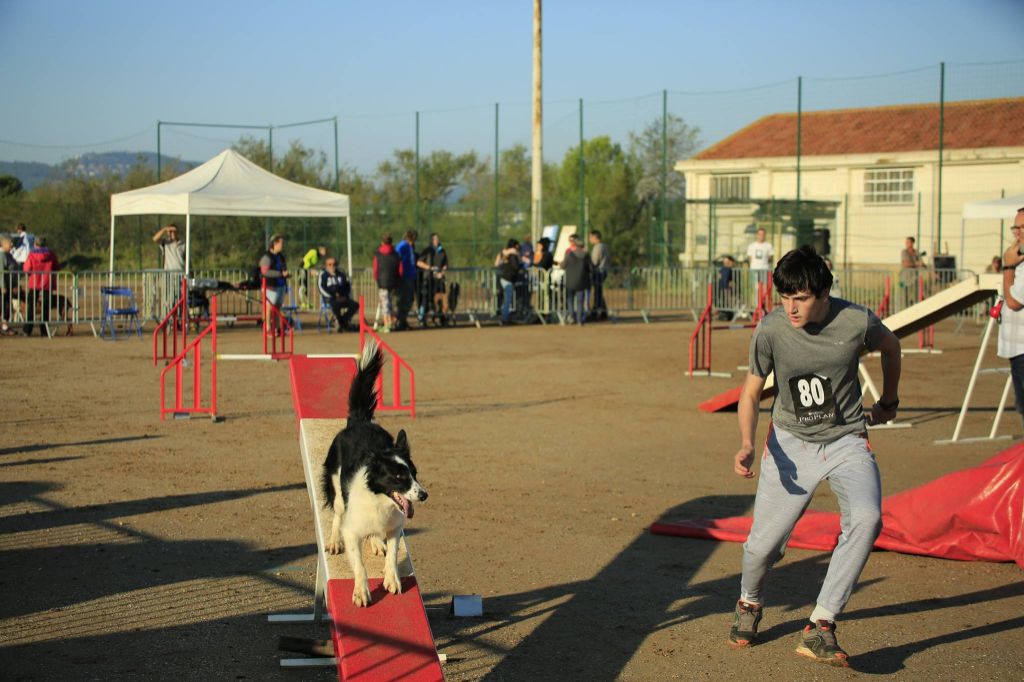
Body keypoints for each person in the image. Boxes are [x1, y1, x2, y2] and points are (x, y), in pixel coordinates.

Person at [730, 245, 901, 666]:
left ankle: (821, 625)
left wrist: (888, 401)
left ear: (824, 293)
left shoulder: (855, 320)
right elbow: (751, 391)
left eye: (801, 298)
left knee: (867, 518)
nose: (790, 307)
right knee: (760, 549)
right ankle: (750, 602)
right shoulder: (771, 329)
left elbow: (892, 345)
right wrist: (748, 443)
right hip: (789, 444)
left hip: (846, 440)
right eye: (784, 296)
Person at [996, 209, 1024, 435]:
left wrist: (1008, 267)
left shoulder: (1016, 262)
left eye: (1023, 228)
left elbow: (1014, 301)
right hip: (1017, 346)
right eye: (1016, 228)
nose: (1018, 233)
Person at [23, 237, 61, 336]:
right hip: (47, 283)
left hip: (33, 282)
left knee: (31, 307)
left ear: (35, 244)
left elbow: (27, 269)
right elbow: (57, 267)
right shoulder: (51, 254)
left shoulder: (31, 254)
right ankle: (44, 331)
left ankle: (28, 330)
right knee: (45, 308)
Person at [258, 234, 290, 334]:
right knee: (269, 308)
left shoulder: (281, 256)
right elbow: (264, 271)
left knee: (277, 308)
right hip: (270, 286)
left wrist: (286, 274)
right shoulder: (267, 257)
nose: (282, 245)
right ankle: (267, 328)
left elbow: (284, 268)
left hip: (280, 285)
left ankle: (276, 328)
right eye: (281, 243)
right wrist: (280, 274)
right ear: (274, 244)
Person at [417, 233, 450, 326]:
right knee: (426, 299)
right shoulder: (427, 250)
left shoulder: (442, 251)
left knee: (442, 299)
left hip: (440, 279)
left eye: (437, 239)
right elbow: (419, 263)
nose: (437, 241)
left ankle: (442, 317)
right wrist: (430, 268)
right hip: (428, 279)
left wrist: (442, 272)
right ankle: (422, 317)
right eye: (434, 239)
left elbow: (446, 264)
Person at [152, 223, 187, 312]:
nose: (172, 233)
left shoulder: (183, 244)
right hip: (169, 275)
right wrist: (164, 229)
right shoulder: (165, 243)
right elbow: (155, 239)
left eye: (174, 231)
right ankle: (169, 317)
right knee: (169, 298)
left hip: (180, 274)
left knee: (181, 297)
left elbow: (186, 259)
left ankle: (179, 317)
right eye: (170, 232)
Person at [318, 257, 358, 332]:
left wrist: (345, 295)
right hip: (330, 298)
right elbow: (321, 288)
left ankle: (342, 322)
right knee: (336, 305)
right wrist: (333, 295)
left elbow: (347, 286)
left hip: (342, 297)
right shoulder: (323, 275)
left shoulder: (341, 274)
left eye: (334, 264)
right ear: (326, 265)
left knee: (355, 305)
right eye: (329, 264)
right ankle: (343, 324)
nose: (332, 266)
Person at [561, 234, 593, 326]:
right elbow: (590, 268)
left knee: (570, 300)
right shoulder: (586, 256)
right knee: (580, 301)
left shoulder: (569, 254)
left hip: (570, 281)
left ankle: (571, 317)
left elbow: (563, 265)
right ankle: (579, 320)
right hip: (581, 282)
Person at [373, 233, 401, 333]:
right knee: (390, 303)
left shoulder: (378, 254)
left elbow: (375, 270)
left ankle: (387, 324)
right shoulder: (396, 254)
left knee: (385, 304)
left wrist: (377, 279)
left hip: (382, 283)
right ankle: (390, 322)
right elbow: (400, 270)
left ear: (382, 242)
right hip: (394, 282)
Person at [395, 230, 418, 330]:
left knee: (409, 299)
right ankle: (400, 321)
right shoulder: (403, 245)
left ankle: (403, 320)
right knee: (403, 299)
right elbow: (397, 256)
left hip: (409, 276)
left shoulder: (409, 247)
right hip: (404, 277)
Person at [494, 239, 521, 326]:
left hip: (500, 277)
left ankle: (500, 315)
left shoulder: (502, 252)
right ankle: (504, 318)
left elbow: (496, 264)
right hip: (508, 278)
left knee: (501, 298)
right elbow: (516, 266)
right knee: (507, 300)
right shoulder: (513, 254)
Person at [745, 227, 774, 305]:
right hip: (754, 270)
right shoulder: (751, 246)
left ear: (765, 235)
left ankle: (764, 304)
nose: (761, 236)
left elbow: (770, 257)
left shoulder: (768, 245)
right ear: (757, 235)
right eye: (759, 234)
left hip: (764, 269)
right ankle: (756, 305)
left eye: (763, 234)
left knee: (765, 288)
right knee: (755, 288)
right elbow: (750, 258)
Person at [589, 230, 610, 320]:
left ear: (595, 237)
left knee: (597, 293)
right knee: (599, 292)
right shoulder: (605, 246)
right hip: (604, 271)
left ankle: (596, 312)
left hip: (598, 272)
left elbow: (594, 261)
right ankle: (603, 312)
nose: (589, 239)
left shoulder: (597, 247)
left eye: (590, 237)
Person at [899, 236, 925, 310]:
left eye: (908, 242)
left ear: (912, 243)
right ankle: (904, 311)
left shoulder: (916, 252)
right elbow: (905, 264)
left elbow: (922, 263)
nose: (906, 244)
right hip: (905, 278)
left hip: (914, 278)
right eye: (906, 242)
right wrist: (916, 263)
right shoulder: (904, 252)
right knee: (904, 297)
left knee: (916, 296)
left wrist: (921, 264)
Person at [300, 245, 328, 310]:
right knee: (302, 286)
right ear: (320, 249)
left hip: (307, 271)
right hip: (303, 269)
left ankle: (306, 302)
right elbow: (305, 259)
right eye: (324, 250)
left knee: (306, 286)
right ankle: (303, 303)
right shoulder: (313, 251)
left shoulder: (318, 257)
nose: (325, 252)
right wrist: (309, 269)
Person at [1, 236, 18, 335]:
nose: (11, 245)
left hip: (9, 285)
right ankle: (4, 326)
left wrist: (15, 285)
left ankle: (5, 325)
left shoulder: (9, 255)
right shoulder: (2, 255)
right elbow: (1, 272)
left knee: (7, 306)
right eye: (9, 243)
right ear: (3, 244)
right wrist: (3, 286)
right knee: (4, 306)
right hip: (3, 286)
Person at [716, 255, 736, 321]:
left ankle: (727, 313)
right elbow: (725, 280)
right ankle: (725, 313)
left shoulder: (724, 269)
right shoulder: (726, 270)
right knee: (726, 301)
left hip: (723, 288)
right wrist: (726, 287)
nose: (733, 264)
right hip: (724, 288)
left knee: (726, 301)